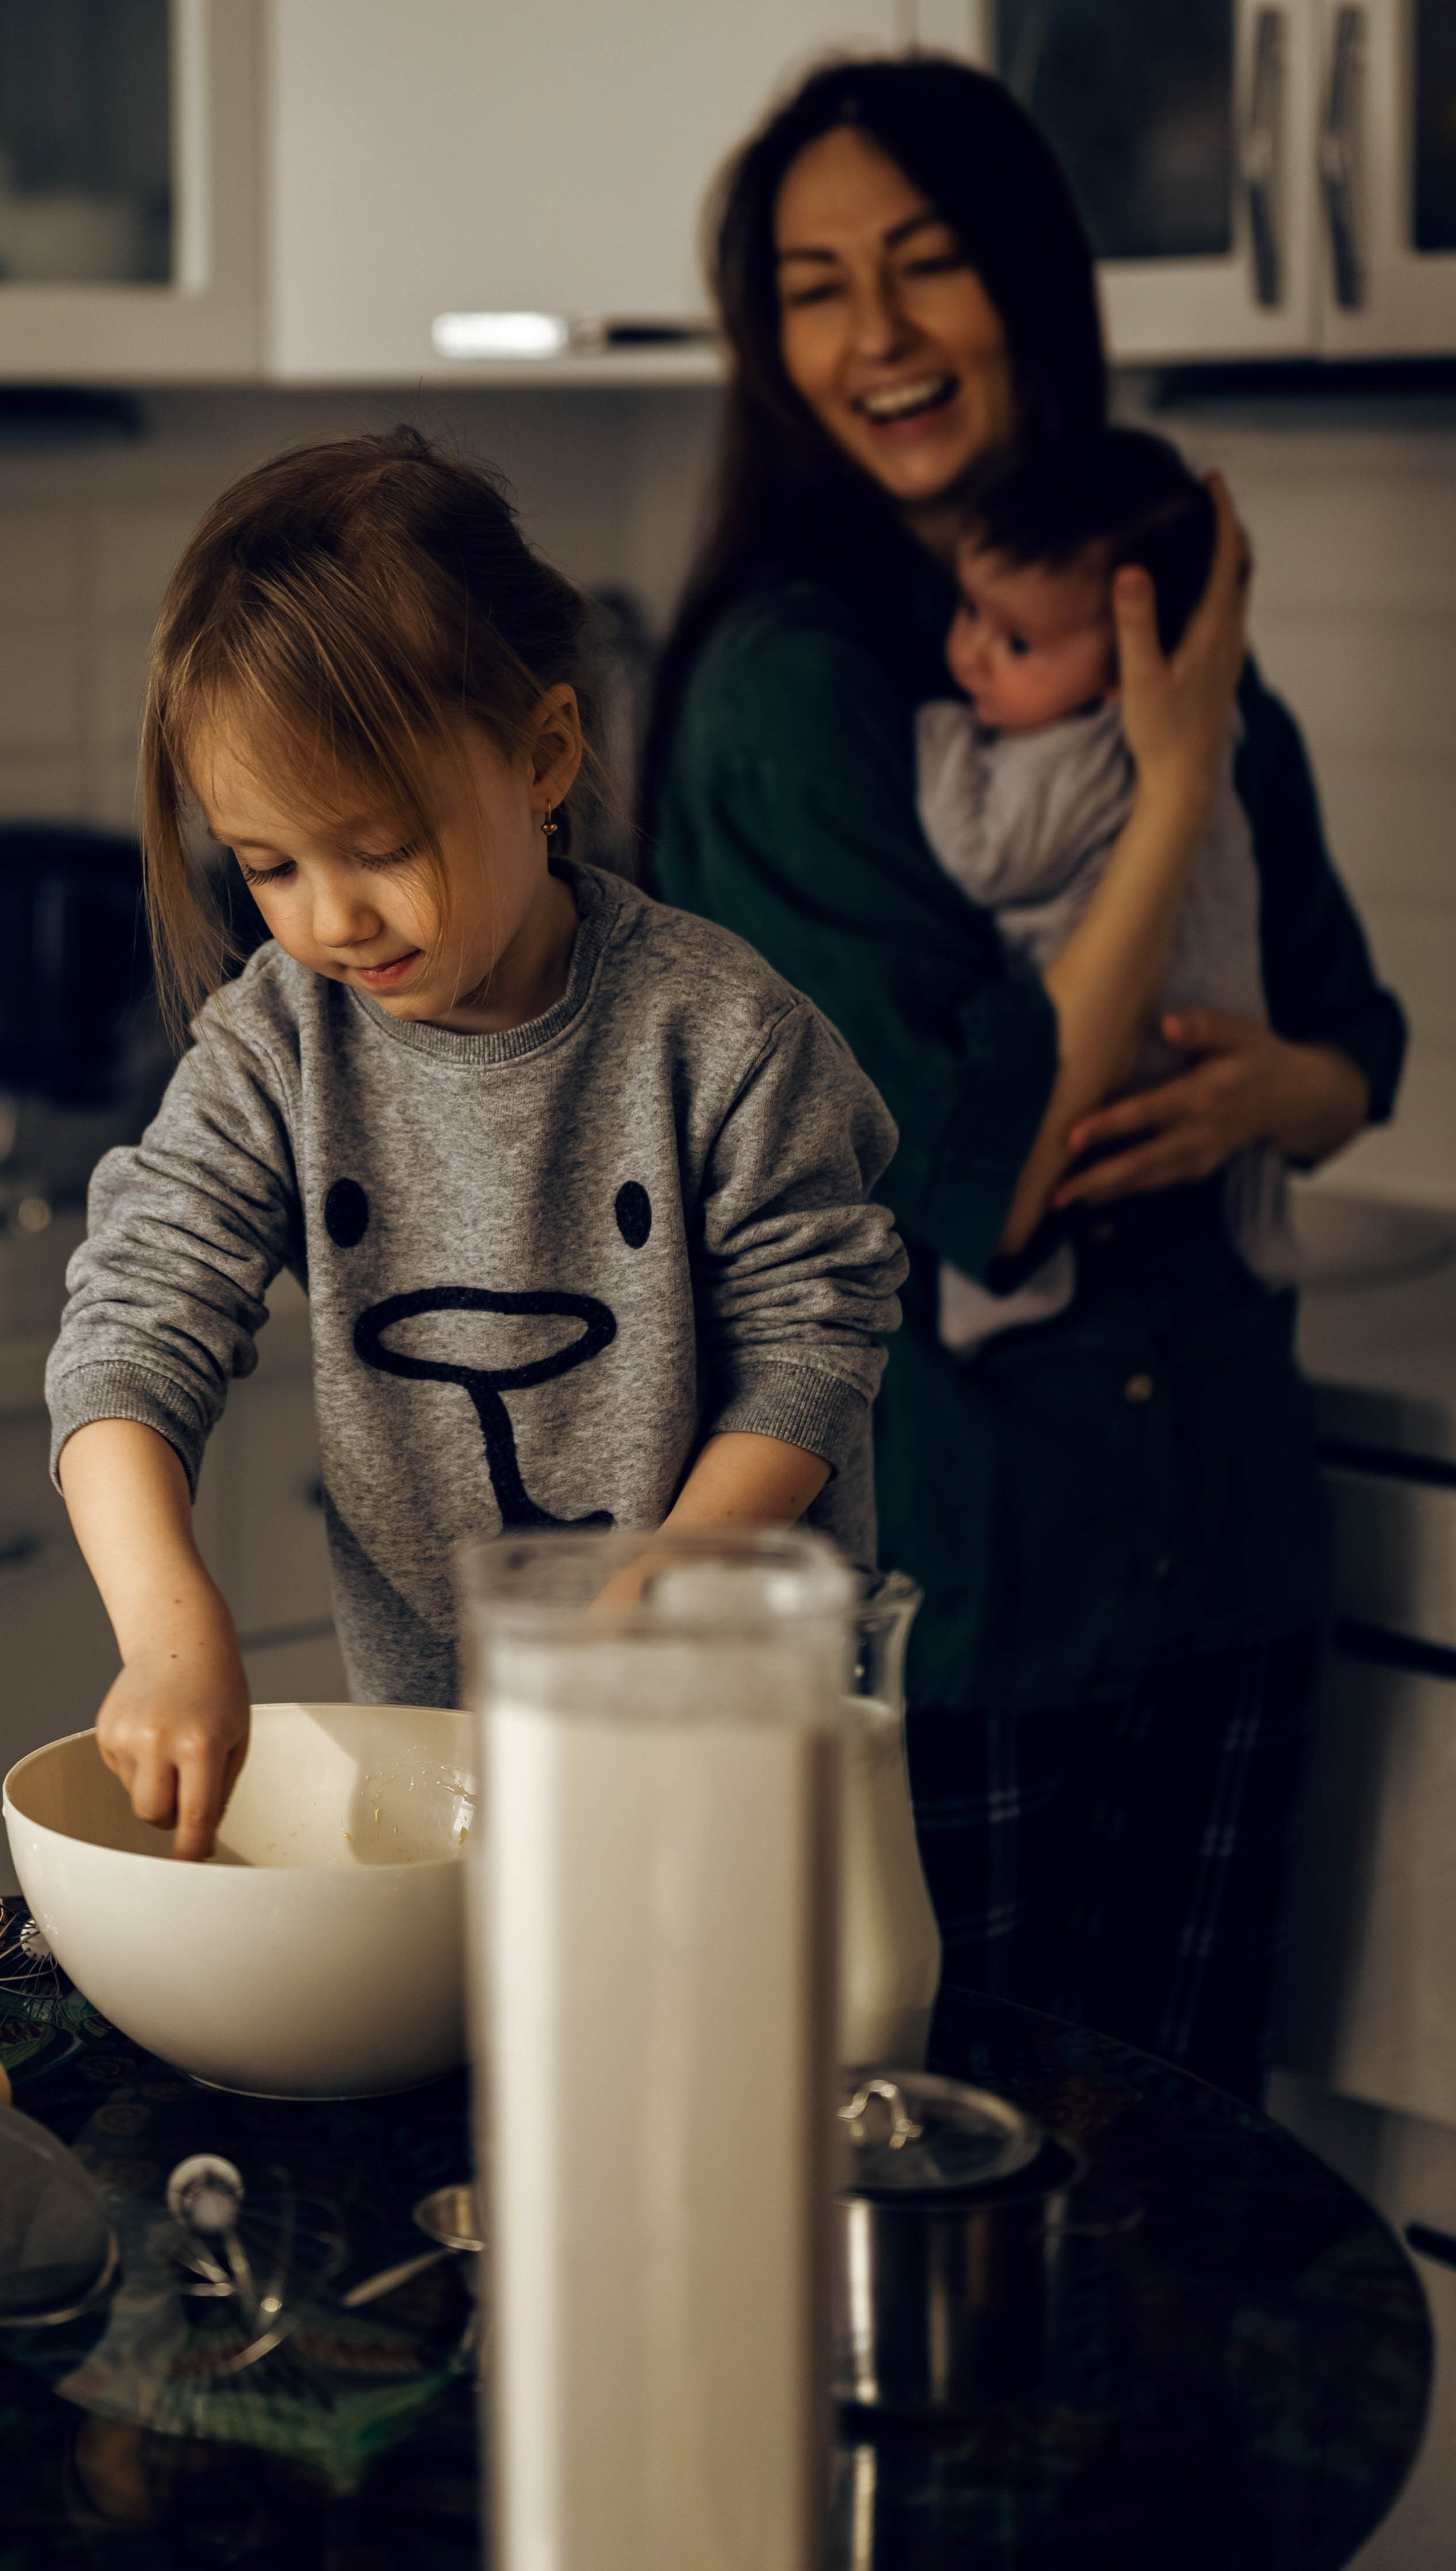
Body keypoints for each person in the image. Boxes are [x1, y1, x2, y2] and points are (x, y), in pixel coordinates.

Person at [648, 56, 1406, 2099]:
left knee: (1190, 2208)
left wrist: (1284, 1098)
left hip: (1219, 1546)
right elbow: (980, 1154)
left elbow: (1359, 1041)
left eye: (928, 263)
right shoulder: (788, 684)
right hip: (953, 1597)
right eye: (816, 286)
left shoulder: (1131, 580)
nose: (877, 333)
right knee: (940, 2219)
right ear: (768, 340)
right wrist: (1169, 776)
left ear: (1033, 286)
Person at [47, 428, 906, 1860]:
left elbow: (815, 1342)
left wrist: (650, 1604)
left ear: (542, 755)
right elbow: (133, 1324)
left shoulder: (719, 1033)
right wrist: (169, 1627)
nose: (330, 918)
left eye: (376, 844)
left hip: (739, 1745)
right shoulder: (280, 1045)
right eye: (267, 866)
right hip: (456, 1773)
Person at [918, 425, 1292, 1356]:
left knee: (1065, 1203)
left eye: (1017, 642)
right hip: (1221, 1018)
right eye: (968, 612)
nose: (968, 657)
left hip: (1123, 1043)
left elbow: (982, 855)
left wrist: (937, 736)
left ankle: (1007, 1300)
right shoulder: (1221, 721)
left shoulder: (1072, 754)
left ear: (1131, 660)